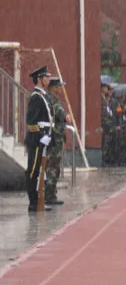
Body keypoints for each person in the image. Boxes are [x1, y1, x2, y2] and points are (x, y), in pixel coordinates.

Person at [24, 66, 54, 212]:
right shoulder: (36, 97)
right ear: (39, 79)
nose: (49, 79)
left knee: (41, 171)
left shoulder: (44, 96)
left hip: (44, 139)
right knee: (33, 171)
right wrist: (41, 136)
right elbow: (30, 121)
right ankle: (33, 203)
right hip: (36, 140)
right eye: (46, 77)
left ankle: (39, 200)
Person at [43, 78, 67, 207]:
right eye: (59, 87)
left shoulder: (52, 99)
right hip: (55, 138)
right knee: (52, 168)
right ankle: (49, 195)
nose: (61, 89)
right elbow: (60, 114)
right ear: (53, 88)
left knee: (54, 168)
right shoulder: (51, 99)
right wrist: (65, 115)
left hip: (56, 138)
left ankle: (51, 195)